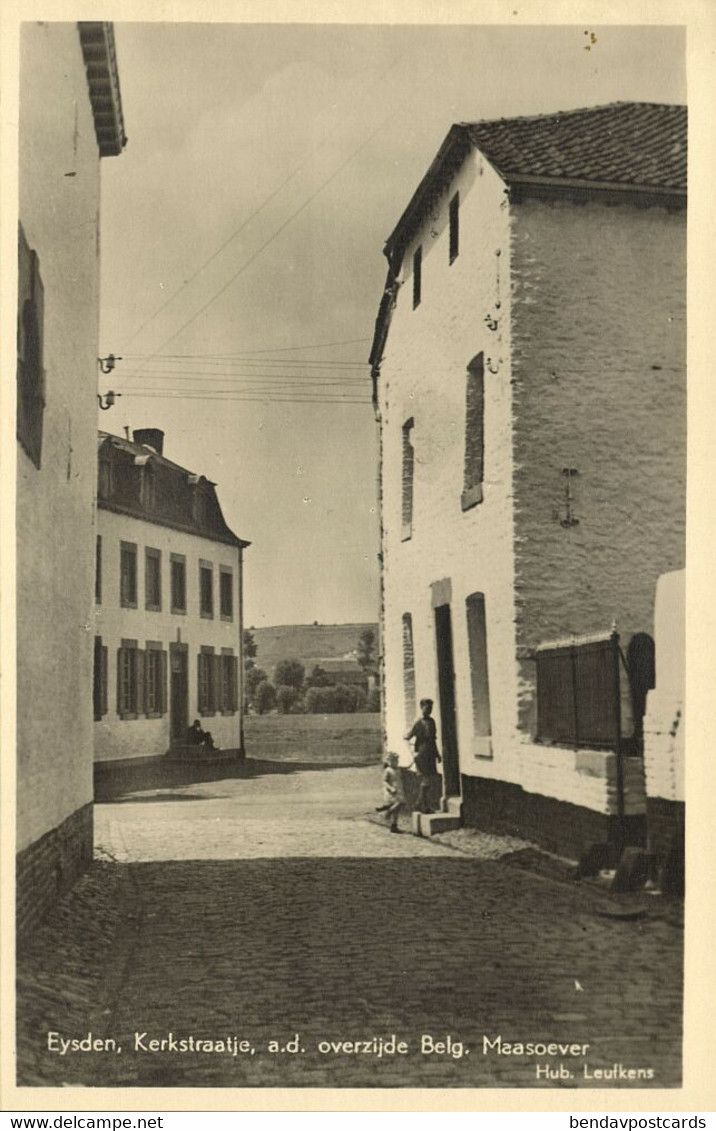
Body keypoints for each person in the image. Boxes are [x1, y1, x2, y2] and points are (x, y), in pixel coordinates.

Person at [405, 698, 441, 814]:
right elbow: (406, 738)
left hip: (430, 753)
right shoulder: (418, 722)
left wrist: (437, 754)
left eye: (431, 708)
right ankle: (423, 806)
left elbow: (433, 740)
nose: (429, 710)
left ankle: (420, 804)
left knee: (430, 780)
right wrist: (413, 753)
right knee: (426, 780)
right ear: (421, 708)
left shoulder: (432, 722)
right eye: (427, 708)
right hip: (421, 753)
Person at [380, 751, 403, 833]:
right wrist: (390, 788)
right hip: (392, 791)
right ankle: (388, 812)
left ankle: (394, 826)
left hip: (399, 789)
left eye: (396, 761)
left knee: (397, 810)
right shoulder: (388, 770)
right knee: (399, 803)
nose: (395, 763)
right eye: (392, 761)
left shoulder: (398, 769)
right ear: (388, 762)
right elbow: (385, 781)